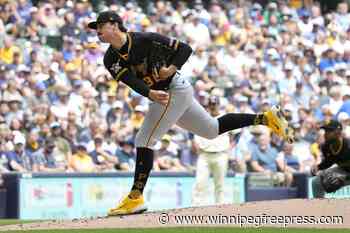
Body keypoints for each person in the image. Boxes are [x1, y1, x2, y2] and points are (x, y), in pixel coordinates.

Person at [87, 11, 294, 216]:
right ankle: (266, 118)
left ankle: (135, 197)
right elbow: (131, 81)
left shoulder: (145, 39)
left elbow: (185, 48)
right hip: (163, 95)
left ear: (114, 25)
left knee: (144, 139)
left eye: (100, 26)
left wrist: (172, 68)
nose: (97, 31)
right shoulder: (110, 58)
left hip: (174, 89)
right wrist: (149, 92)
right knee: (211, 130)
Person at [191, 96, 232, 205]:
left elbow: (235, 134)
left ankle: (220, 208)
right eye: (211, 104)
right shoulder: (202, 117)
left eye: (215, 104)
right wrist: (195, 143)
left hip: (221, 154)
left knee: (220, 184)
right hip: (204, 155)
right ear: (208, 106)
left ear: (219, 105)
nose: (213, 106)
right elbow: (194, 133)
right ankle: (196, 208)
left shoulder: (225, 117)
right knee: (200, 183)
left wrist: (230, 146)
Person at [311, 120, 350, 198]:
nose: (325, 133)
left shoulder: (348, 146)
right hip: (344, 170)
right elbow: (329, 161)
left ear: (338, 132)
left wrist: (344, 178)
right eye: (325, 130)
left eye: (329, 131)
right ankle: (319, 206)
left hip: (346, 174)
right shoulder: (326, 147)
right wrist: (318, 167)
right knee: (316, 181)